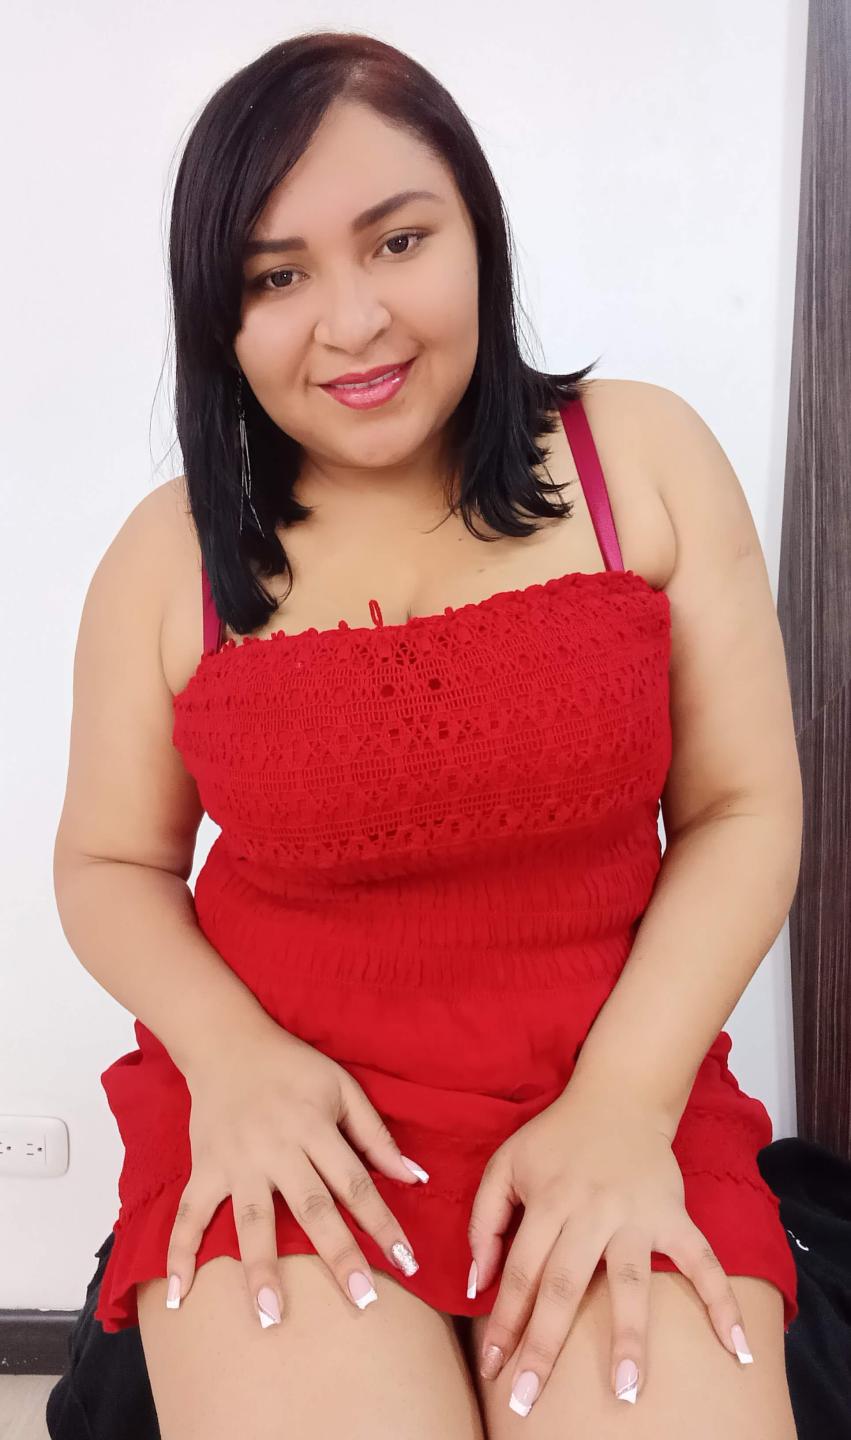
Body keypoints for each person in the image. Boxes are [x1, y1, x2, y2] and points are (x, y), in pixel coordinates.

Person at [52, 29, 803, 1439]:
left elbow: (743, 812)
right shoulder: (168, 556)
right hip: (298, 1115)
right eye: (276, 276)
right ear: (218, 315)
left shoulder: (641, 455)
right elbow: (108, 864)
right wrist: (228, 1059)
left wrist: (625, 1105)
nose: (352, 322)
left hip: (615, 1083)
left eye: (398, 242)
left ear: (478, 234)